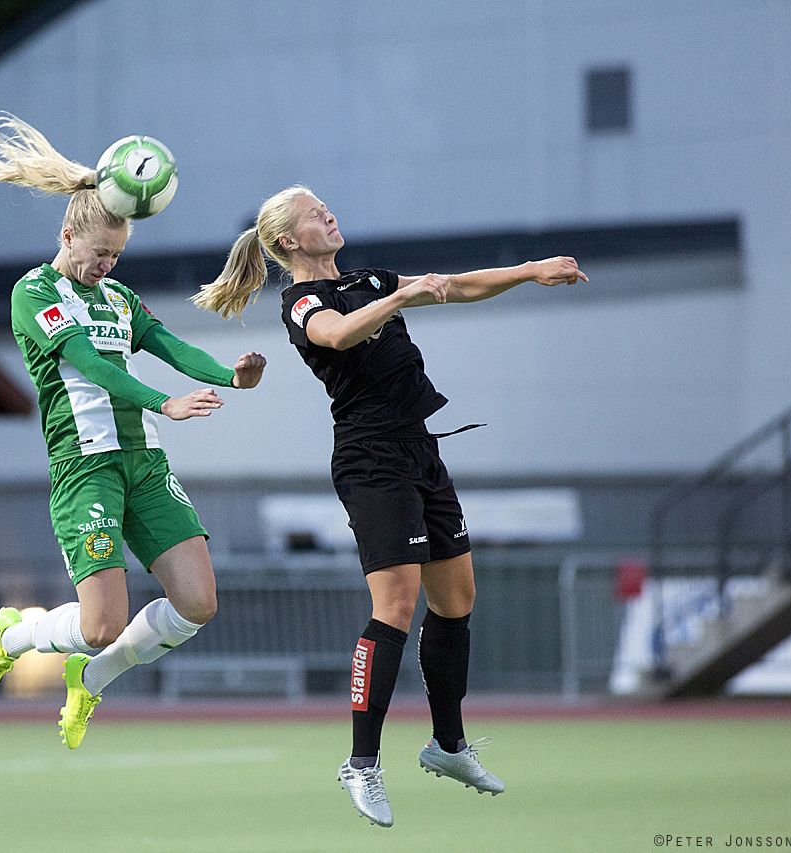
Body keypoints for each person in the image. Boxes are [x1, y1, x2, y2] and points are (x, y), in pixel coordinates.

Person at [193, 186, 586, 827]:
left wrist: (529, 271)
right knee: (395, 607)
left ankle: (448, 745)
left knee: (456, 600)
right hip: (370, 460)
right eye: (314, 213)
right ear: (289, 241)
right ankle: (362, 764)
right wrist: (400, 297)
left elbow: (454, 286)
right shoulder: (302, 302)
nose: (328, 213)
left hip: (420, 451)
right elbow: (339, 335)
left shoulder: (367, 277)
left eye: (326, 206)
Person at [0, 114, 266, 748]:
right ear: (68, 234)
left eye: (117, 255)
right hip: (87, 469)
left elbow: (166, 344)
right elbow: (94, 367)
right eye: (99, 251)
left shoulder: (118, 297)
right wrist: (166, 403)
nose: (107, 263)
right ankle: (17, 632)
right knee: (102, 622)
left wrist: (231, 376)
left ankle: (93, 679)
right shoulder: (35, 292)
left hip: (145, 464)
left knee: (198, 604)